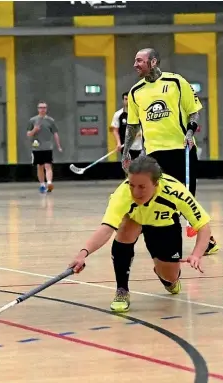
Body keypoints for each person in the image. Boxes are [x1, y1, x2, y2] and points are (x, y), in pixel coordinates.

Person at [117, 48, 219, 310]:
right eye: (135, 59)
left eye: (140, 60)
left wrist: (190, 130)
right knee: (162, 200)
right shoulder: (137, 92)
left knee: (185, 196)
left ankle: (204, 239)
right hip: (154, 153)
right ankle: (167, 251)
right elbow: (133, 125)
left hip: (181, 148)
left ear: (153, 62)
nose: (135, 63)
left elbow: (193, 111)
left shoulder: (176, 82)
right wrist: (127, 151)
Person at [69, 156, 211, 312]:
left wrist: (196, 255)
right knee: (124, 229)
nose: (135, 192)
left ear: (156, 183)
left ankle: (167, 277)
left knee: (170, 277)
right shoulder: (122, 194)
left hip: (163, 224)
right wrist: (83, 253)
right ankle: (122, 290)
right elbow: (106, 228)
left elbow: (203, 225)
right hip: (135, 219)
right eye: (132, 185)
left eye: (142, 186)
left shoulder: (175, 192)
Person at [27, 101, 62, 193]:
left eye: (44, 108)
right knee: (40, 166)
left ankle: (49, 183)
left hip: (47, 147)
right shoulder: (33, 120)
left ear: (46, 109)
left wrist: (58, 146)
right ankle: (42, 184)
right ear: (38, 109)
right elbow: (29, 134)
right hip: (37, 147)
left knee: (48, 165)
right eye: (41, 107)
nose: (42, 109)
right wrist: (35, 129)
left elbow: (55, 133)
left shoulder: (50, 121)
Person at [110, 92, 142, 160]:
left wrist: (140, 132)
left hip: (141, 147)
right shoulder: (118, 114)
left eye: (129, 99)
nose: (128, 101)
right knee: (129, 169)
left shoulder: (141, 113)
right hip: (126, 147)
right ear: (123, 100)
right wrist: (118, 143)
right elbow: (115, 130)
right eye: (126, 99)